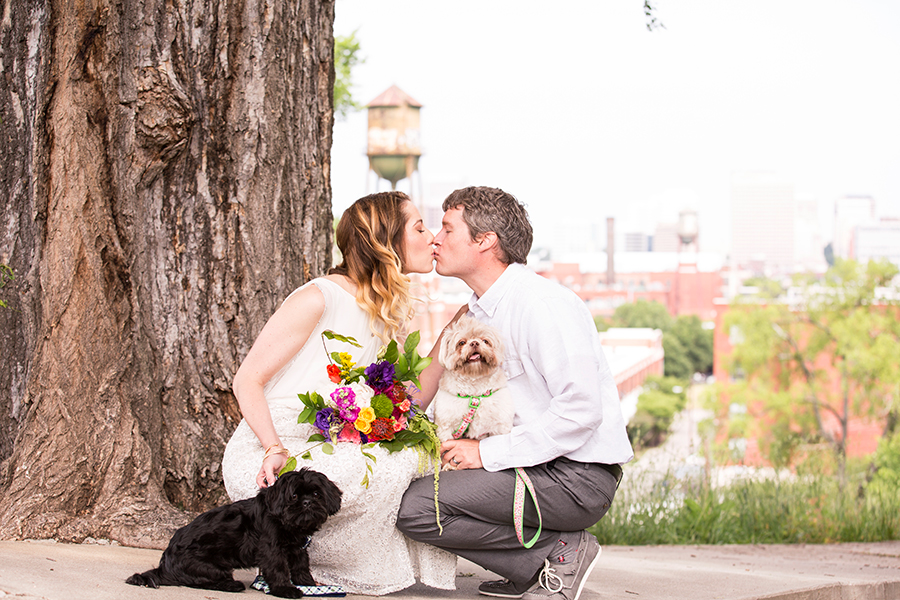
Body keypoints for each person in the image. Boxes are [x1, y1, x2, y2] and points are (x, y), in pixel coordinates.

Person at [397, 186, 634, 600]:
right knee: (408, 494)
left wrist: (484, 453)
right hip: (533, 465)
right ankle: (535, 568)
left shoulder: (542, 305)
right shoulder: (478, 310)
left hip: (576, 476)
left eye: (448, 229)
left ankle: (561, 551)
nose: (435, 239)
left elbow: (581, 410)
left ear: (485, 240)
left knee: (419, 506)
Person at [221, 191, 458, 595]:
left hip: (333, 443)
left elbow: (409, 401)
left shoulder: (383, 310)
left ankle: (303, 560)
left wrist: (453, 332)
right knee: (392, 464)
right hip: (273, 450)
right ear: (385, 239)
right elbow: (247, 380)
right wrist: (273, 447)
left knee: (420, 455)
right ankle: (285, 562)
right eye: (419, 228)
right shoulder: (319, 297)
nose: (431, 237)